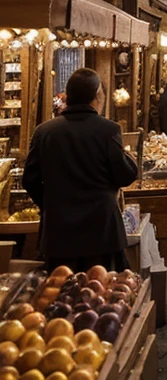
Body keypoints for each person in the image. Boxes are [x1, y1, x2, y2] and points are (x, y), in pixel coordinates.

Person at [23, 68, 138, 271]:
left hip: (59, 234)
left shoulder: (45, 132)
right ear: (97, 96)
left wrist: (52, 204)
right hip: (102, 232)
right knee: (104, 293)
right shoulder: (108, 130)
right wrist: (129, 157)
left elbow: (30, 180)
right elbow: (125, 175)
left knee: (61, 293)